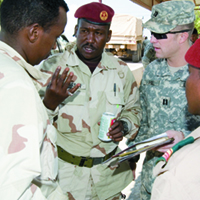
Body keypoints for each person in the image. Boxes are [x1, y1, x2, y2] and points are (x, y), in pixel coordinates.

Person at [37, 2, 142, 200]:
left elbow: (134, 109)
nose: (90, 39)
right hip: (65, 180)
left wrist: (125, 125)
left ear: (108, 36)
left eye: (98, 33)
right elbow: (30, 121)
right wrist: (49, 104)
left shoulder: (121, 71)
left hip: (108, 179)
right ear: (76, 31)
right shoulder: (54, 67)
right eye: (84, 31)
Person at [0, 0, 80, 199]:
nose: (54, 46)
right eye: (55, 37)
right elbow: (13, 189)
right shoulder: (17, 85)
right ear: (34, 33)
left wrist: (49, 106)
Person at [130, 1, 200, 200]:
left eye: (160, 35)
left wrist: (185, 140)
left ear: (183, 36)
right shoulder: (153, 70)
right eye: (151, 33)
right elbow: (144, 117)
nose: (152, 40)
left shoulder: (197, 75)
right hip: (150, 178)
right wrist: (132, 153)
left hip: (187, 183)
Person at [151, 37, 200, 200]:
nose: (186, 81)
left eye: (191, 73)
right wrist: (184, 141)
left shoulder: (178, 175)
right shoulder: (152, 70)